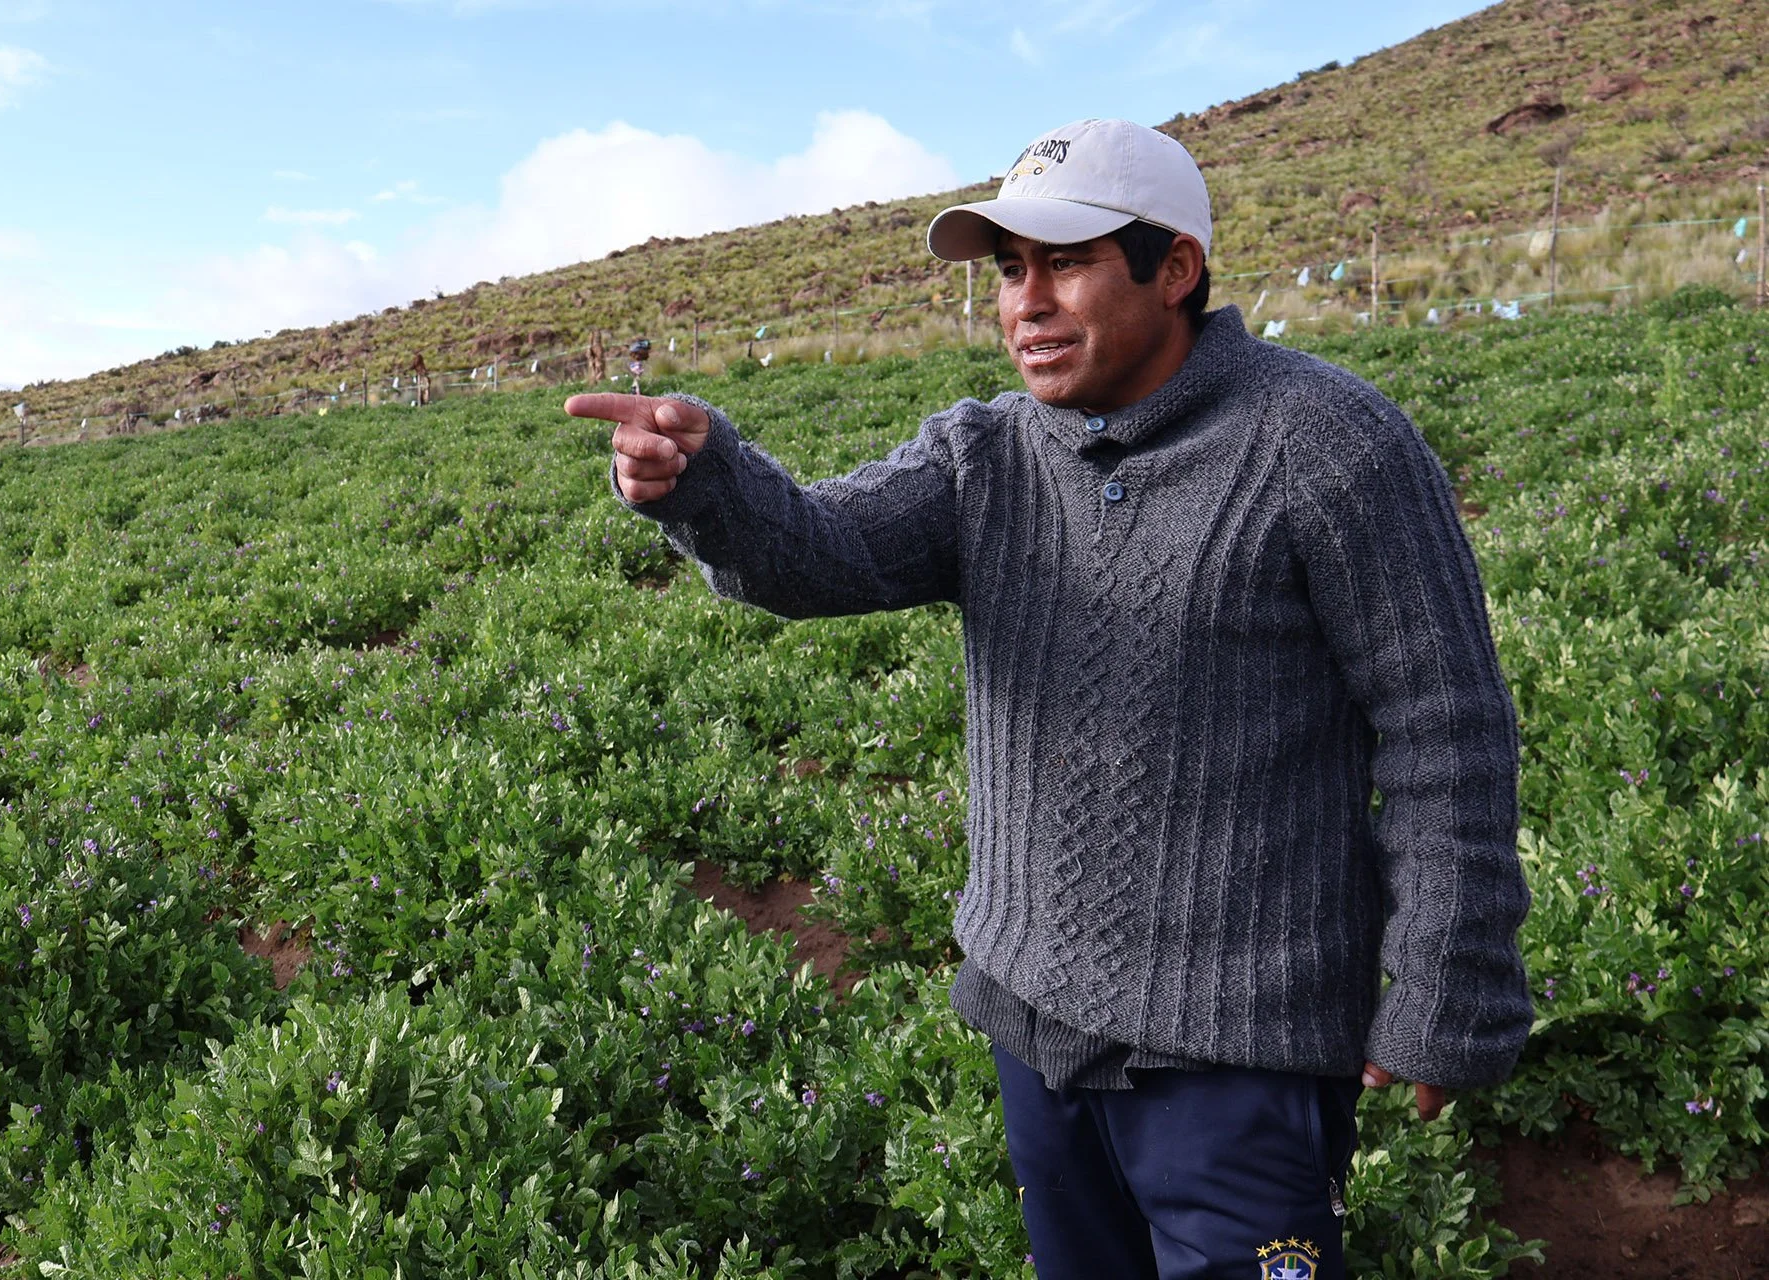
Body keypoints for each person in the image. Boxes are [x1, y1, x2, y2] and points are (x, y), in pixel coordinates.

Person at [565, 117, 1531, 1280]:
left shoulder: (1328, 445)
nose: (1026, 301)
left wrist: (1447, 981)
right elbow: (824, 552)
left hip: (1242, 1053)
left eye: (1065, 262)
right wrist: (706, 480)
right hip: (1034, 1025)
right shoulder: (985, 455)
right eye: (1011, 269)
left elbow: (1443, 728)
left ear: (1174, 268)